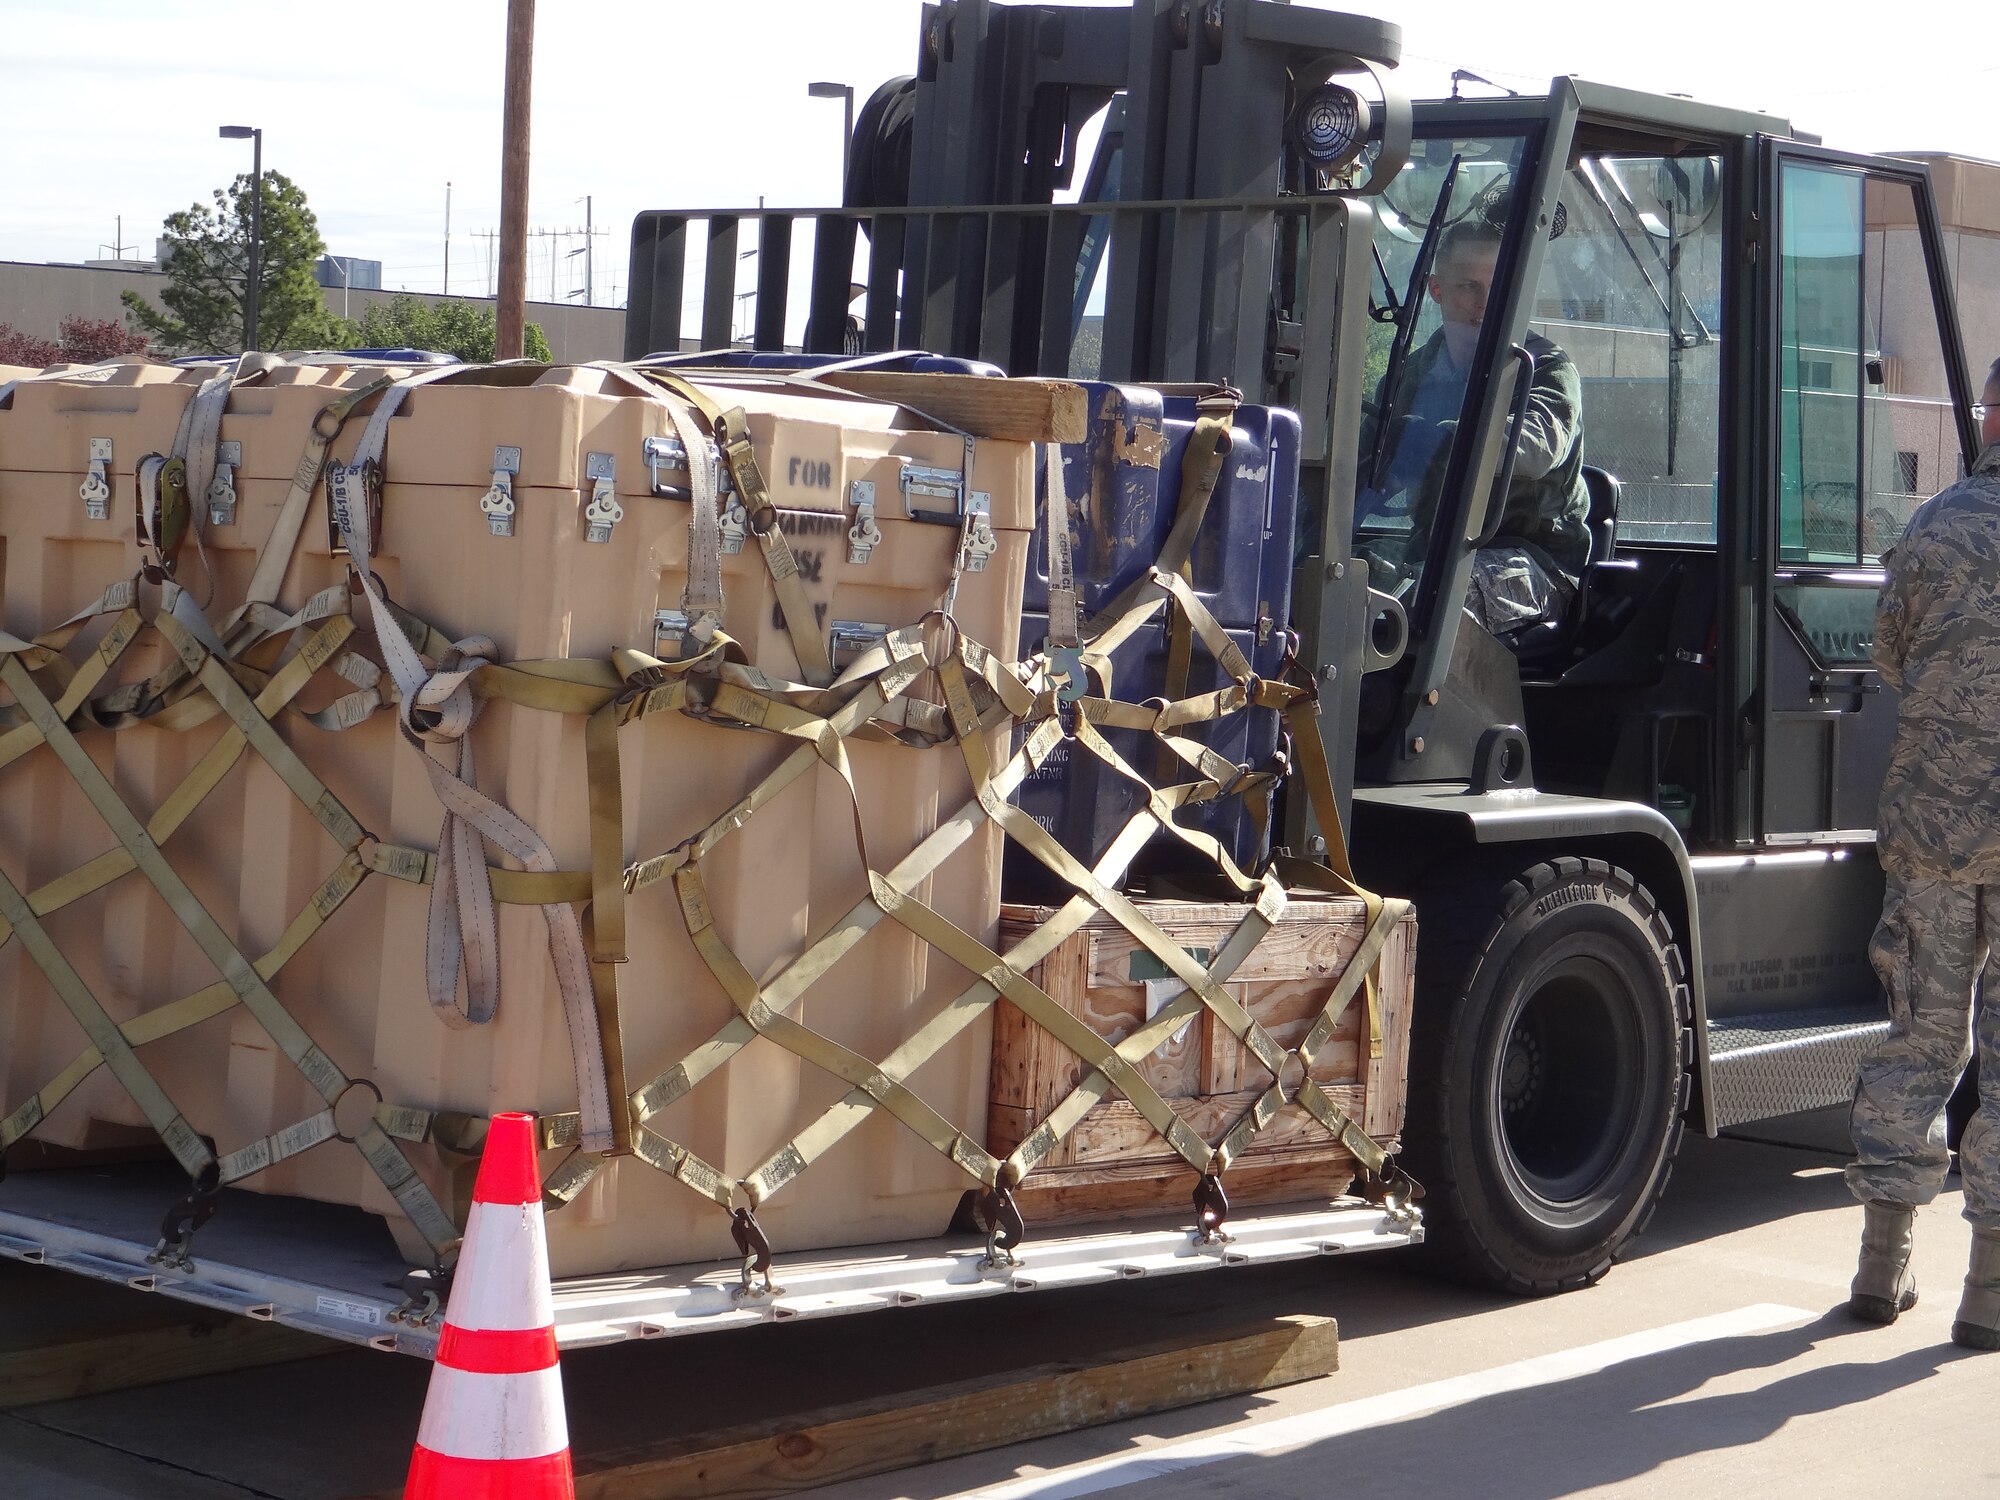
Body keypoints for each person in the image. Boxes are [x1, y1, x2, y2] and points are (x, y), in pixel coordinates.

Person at [1845, 356, 2000, 1350]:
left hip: (1935, 832)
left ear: (1992, 410)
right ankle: (1986, 1293)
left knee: (1920, 1041)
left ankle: (1879, 1266)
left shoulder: (1939, 521)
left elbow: (1889, 654)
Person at [1360, 217, 1591, 638]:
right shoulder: (1409, 375)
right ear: (1437, 289)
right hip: (1431, 551)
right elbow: (1368, 461)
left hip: (1531, 560)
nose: (1484, 304)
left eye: (1497, 287)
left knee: (1441, 600)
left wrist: (1441, 440)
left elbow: (1536, 448)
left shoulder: (1545, 368)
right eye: (1469, 287)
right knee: (1336, 588)